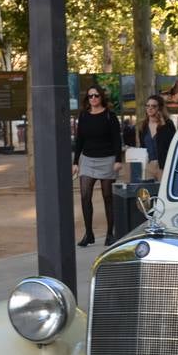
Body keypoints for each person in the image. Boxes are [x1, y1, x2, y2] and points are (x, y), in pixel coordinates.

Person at [71, 84, 124, 246]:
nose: (93, 99)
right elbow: (79, 139)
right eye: (90, 96)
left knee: (108, 197)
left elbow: (117, 139)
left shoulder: (110, 116)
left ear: (101, 97)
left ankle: (110, 234)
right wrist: (75, 162)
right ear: (87, 99)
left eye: (96, 96)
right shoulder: (84, 116)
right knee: (85, 196)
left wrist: (117, 160)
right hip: (87, 159)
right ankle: (89, 234)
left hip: (107, 159)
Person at [138, 94, 176, 181]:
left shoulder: (167, 124)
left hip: (163, 165)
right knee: (148, 193)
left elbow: (170, 143)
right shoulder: (143, 126)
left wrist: (162, 123)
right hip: (148, 166)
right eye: (147, 106)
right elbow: (142, 146)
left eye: (154, 106)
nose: (150, 108)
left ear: (160, 108)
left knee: (162, 193)